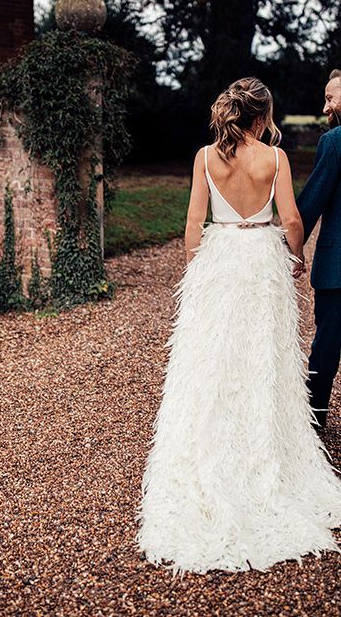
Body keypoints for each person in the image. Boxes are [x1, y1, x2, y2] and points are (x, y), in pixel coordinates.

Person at [135, 77, 341, 576]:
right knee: (263, 357)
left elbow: (192, 222)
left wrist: (196, 270)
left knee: (213, 358)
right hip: (260, 261)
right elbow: (291, 219)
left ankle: (211, 450)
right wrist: (294, 257)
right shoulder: (275, 159)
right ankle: (262, 453)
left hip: (220, 259)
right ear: (263, 116)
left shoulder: (206, 157)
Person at [295, 69, 341, 431]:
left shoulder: (333, 141)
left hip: (336, 266)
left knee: (326, 344)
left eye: (330, 97)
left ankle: (315, 417)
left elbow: (312, 201)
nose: (325, 105)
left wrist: (288, 244)